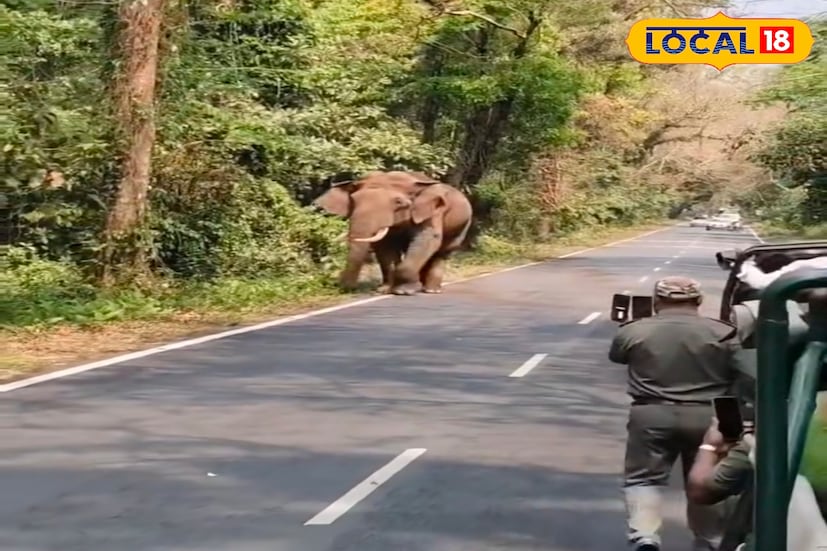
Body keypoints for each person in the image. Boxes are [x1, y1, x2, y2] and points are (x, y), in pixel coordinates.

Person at [609, 275, 742, 551]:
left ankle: (645, 536)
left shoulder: (634, 330)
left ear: (657, 301)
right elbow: (741, 370)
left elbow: (618, 356)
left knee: (644, 478)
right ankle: (709, 541)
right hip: (710, 418)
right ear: (699, 301)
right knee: (707, 482)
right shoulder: (724, 332)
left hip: (651, 413)